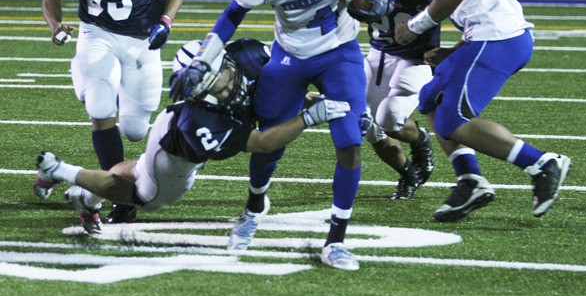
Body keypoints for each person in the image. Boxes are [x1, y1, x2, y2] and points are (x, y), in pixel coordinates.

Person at [169, 0, 396, 270]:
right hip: (289, 55)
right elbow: (230, 18)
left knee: (350, 140)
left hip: (339, 50)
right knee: (267, 142)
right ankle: (255, 206)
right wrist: (202, 62)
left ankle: (336, 240)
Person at [35, 38, 351, 235]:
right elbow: (263, 142)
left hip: (167, 128)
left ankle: (86, 196)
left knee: (139, 169)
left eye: (221, 78)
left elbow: (283, 82)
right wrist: (309, 118)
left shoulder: (250, 54)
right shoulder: (203, 121)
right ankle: (64, 172)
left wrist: (304, 98)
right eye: (209, 88)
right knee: (148, 197)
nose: (223, 88)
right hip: (177, 149)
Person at [394, 0, 571, 221]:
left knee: (451, 119)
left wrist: (414, 27)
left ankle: (541, 163)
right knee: (431, 97)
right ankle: (469, 180)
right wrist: (457, 48)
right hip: (496, 30)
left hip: (496, 35)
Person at [37, 0, 186, 224]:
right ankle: (119, 196)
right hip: (96, 33)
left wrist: (165, 22)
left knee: (135, 129)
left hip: (140, 38)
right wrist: (55, 24)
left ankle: (106, 86)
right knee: (101, 107)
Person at [361, 0, 438, 200]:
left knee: (391, 119)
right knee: (367, 127)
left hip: (415, 59)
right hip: (378, 54)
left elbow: (458, 9)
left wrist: (454, 51)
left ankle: (422, 142)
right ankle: (409, 174)